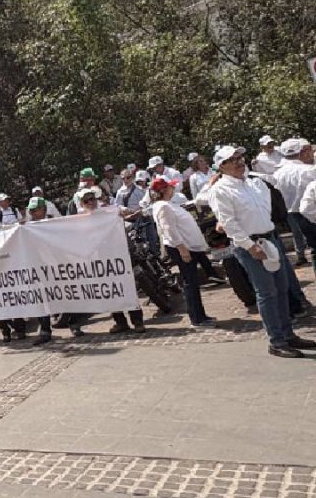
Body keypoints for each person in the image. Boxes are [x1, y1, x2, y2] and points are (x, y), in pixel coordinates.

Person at [207, 145, 315, 358]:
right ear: (222, 166)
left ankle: (287, 334)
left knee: (282, 288)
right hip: (251, 245)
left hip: (270, 238)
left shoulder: (253, 183)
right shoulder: (221, 190)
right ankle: (276, 340)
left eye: (240, 157)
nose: (239, 161)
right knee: (267, 292)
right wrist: (250, 245)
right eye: (233, 159)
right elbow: (229, 223)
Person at [77, 188, 146, 334]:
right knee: (109, 291)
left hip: (116, 254)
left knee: (126, 287)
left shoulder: (107, 210)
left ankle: (138, 321)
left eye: (92, 198)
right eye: (87, 200)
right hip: (99, 258)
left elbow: (122, 210)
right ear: (82, 203)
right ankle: (120, 322)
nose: (91, 202)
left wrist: (130, 212)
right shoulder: (80, 217)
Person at [150, 177, 215, 328]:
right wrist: (182, 249)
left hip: (188, 247)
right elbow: (169, 230)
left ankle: (200, 315)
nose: (173, 189)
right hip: (182, 248)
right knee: (190, 283)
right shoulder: (163, 207)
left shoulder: (168, 204)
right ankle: (197, 318)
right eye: (170, 187)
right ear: (164, 190)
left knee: (192, 283)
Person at [265, 138, 316, 267]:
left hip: (292, 213)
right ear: (300, 152)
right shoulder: (307, 170)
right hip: (311, 211)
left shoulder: (278, 173)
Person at [25, 197, 54, 345]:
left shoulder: (53, 223)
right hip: (37, 266)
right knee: (41, 299)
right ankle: (45, 330)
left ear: (44, 209)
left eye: (37, 210)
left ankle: (74, 323)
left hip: (55, 266)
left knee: (64, 295)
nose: (34, 213)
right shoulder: (27, 227)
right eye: (32, 210)